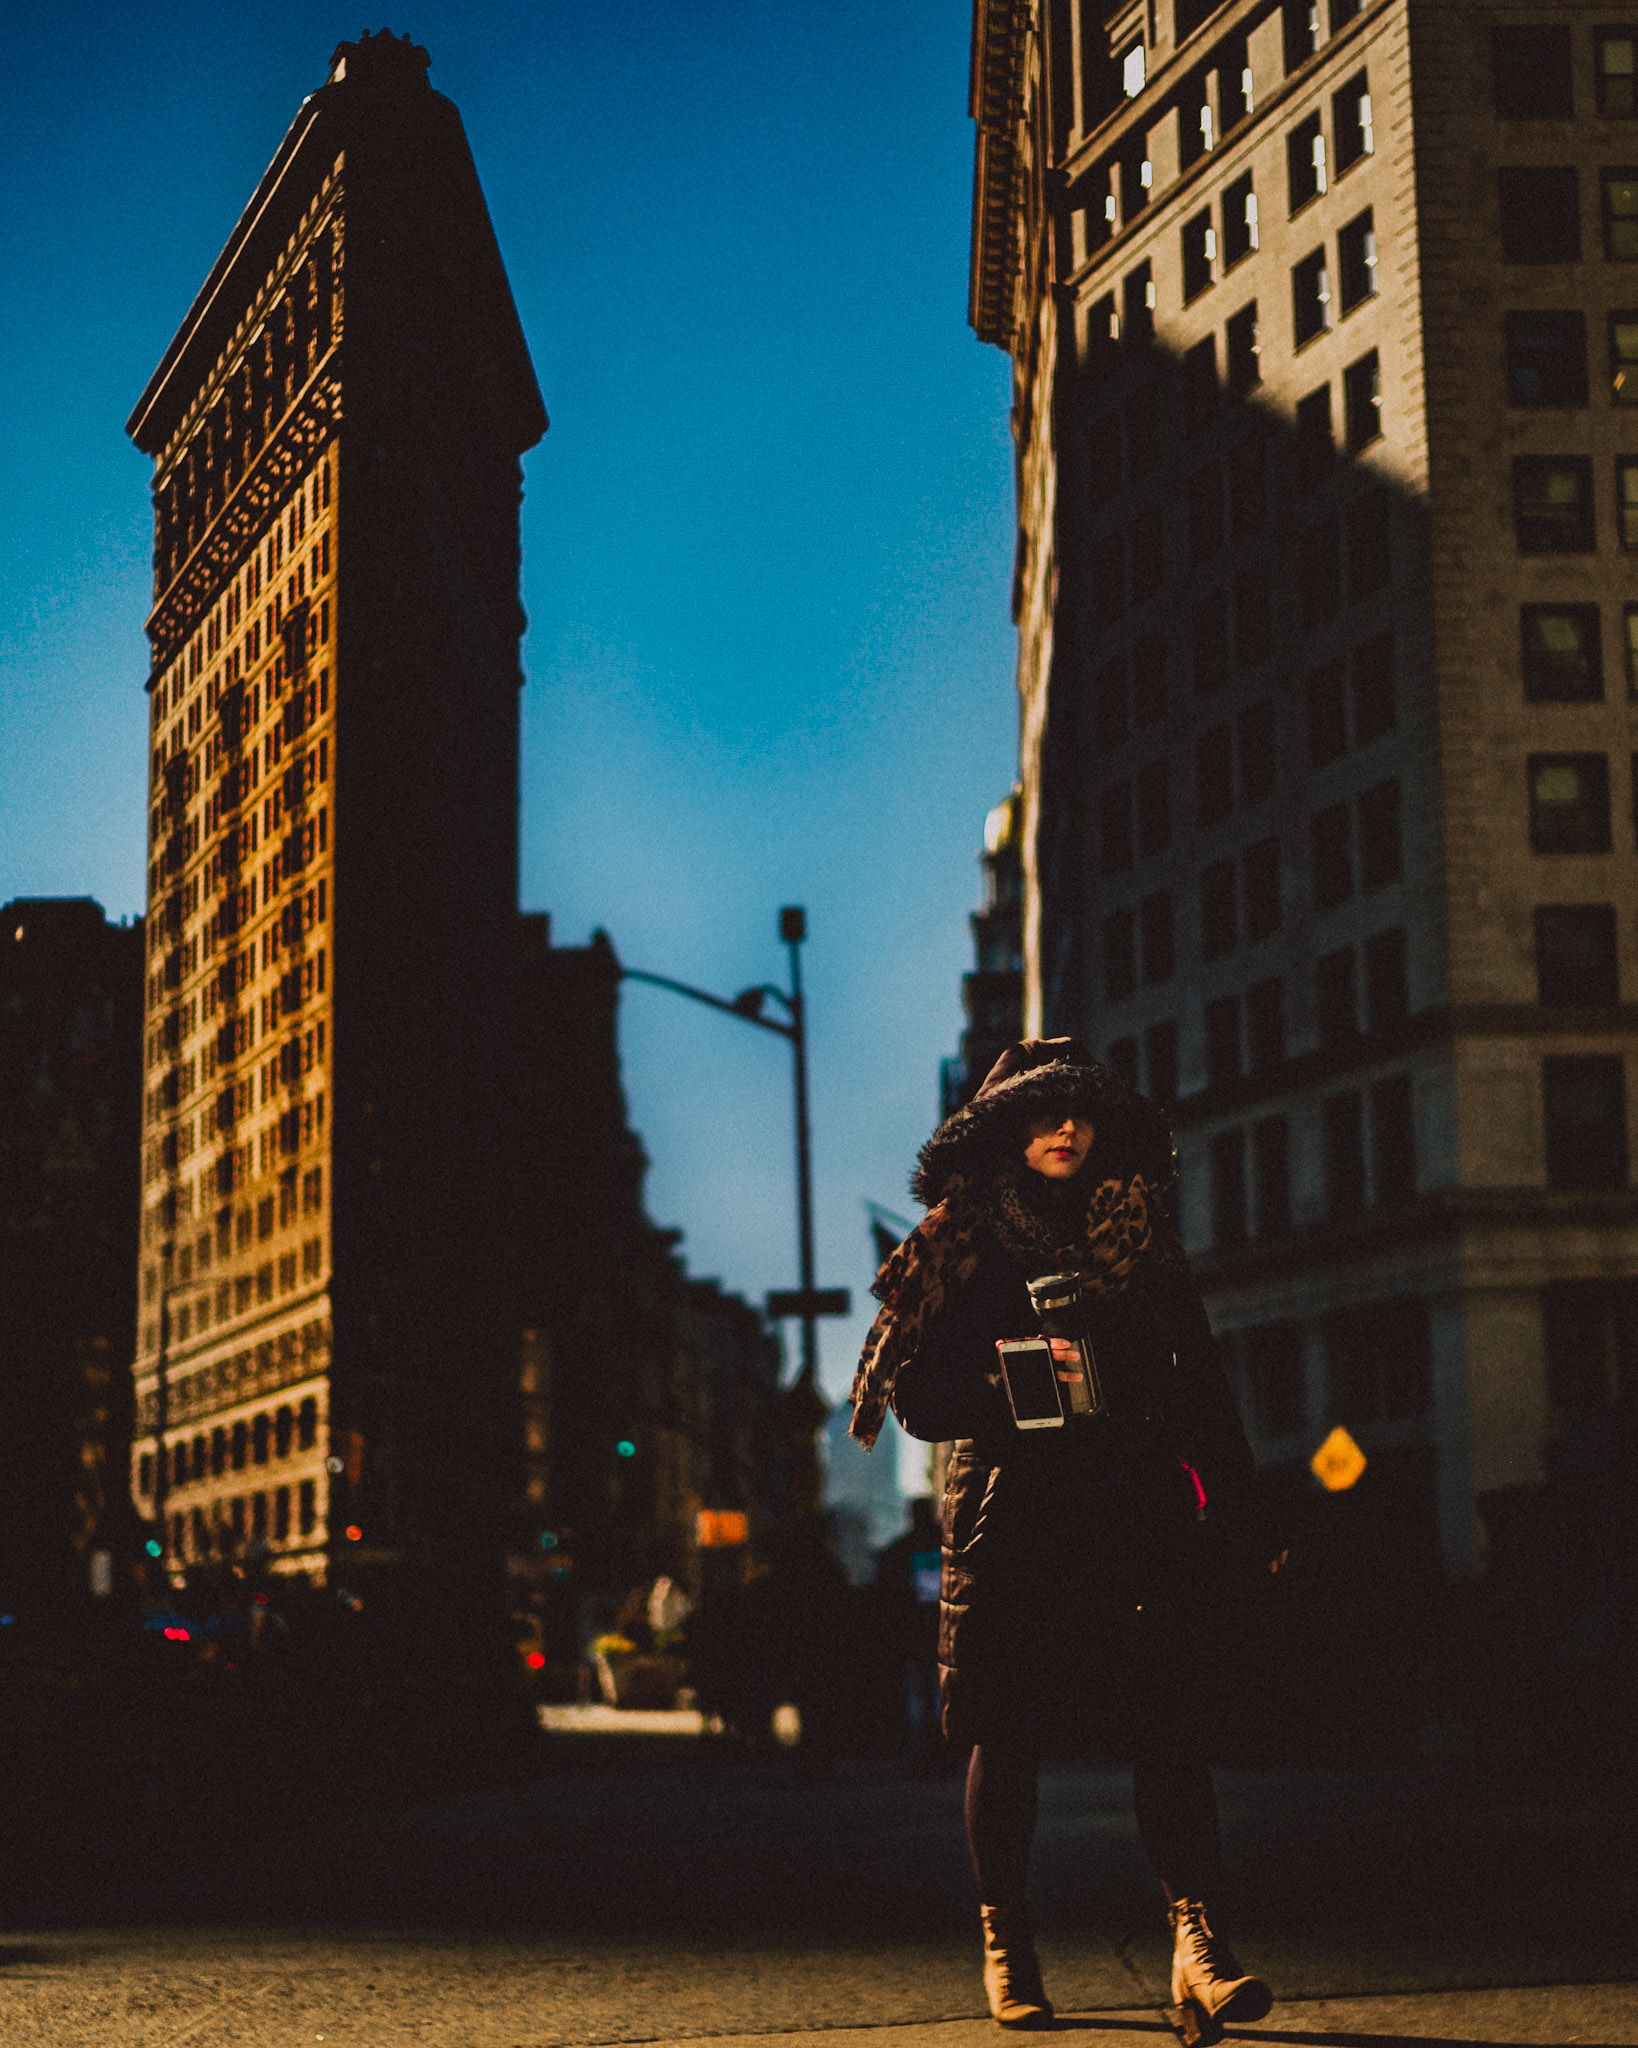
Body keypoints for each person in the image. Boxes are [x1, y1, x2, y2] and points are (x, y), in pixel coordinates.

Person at [849, 1039, 1282, 2041]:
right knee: (1008, 1736)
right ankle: (1008, 1940)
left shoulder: (1142, 1234)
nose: (1065, 1130)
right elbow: (914, 1398)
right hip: (1012, 1519)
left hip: (1133, 1513)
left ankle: (1199, 1944)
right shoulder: (961, 1242)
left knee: (1171, 1726)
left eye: (1081, 1113)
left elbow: (1201, 1382)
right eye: (1044, 1115)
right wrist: (1013, 1379)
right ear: (1003, 1129)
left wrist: (1247, 1507)